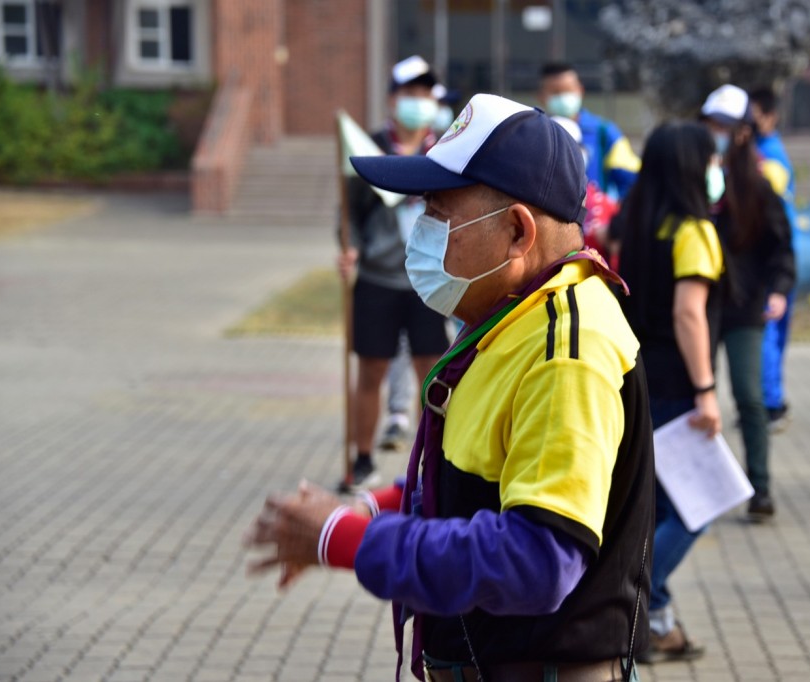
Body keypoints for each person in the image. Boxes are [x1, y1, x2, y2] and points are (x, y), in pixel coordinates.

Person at [245, 94, 655, 681]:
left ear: (517, 231)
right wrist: (370, 507)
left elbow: (537, 560)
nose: (422, 232)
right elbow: (472, 476)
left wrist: (350, 540)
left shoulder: (567, 349)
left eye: (439, 213)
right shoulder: (511, 314)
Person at [618, 122, 722, 663]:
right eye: (710, 158)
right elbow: (690, 312)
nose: (716, 167)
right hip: (679, 384)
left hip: (637, 377)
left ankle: (658, 623)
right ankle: (645, 598)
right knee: (697, 504)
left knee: (654, 505)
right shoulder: (694, 231)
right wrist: (706, 389)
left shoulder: (636, 225)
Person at [336, 55, 452, 490]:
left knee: (433, 375)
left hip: (429, 282)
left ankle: (435, 466)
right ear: (392, 98)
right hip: (378, 279)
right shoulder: (368, 148)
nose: (416, 102)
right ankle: (362, 459)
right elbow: (348, 214)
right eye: (409, 93)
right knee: (371, 371)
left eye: (424, 94)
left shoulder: (443, 150)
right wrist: (348, 248)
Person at [701, 84, 796, 522]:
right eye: (711, 125)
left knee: (749, 396)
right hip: (697, 306)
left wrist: (777, 289)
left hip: (743, 307)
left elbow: (781, 247)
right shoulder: (691, 178)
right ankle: (694, 487)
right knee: (693, 397)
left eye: (724, 127)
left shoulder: (758, 185)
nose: (716, 134)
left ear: (742, 132)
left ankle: (760, 489)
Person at [750, 87, 798, 433]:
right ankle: (769, 401)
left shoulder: (768, 160)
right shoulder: (770, 154)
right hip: (780, 259)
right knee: (773, 333)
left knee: (770, 332)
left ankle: (770, 403)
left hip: (771, 260)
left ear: (769, 116)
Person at [538, 62, 641, 202]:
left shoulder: (604, 132)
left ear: (580, 90)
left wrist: (615, 211)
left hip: (595, 221)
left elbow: (633, 180)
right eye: (556, 92)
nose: (563, 97)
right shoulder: (536, 133)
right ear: (541, 96)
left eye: (568, 91)